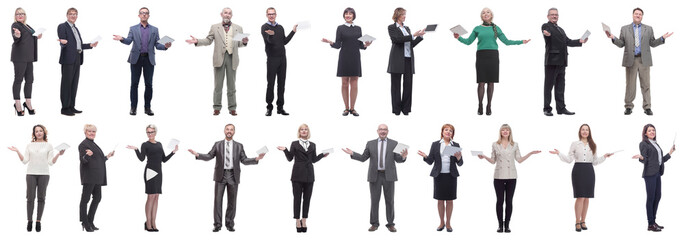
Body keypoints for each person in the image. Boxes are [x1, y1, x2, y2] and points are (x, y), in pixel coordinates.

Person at [188, 124, 266, 232]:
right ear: (224, 130)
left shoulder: (239, 146)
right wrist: (198, 155)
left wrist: (257, 158)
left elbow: (244, 160)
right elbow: (210, 156)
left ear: (234, 132)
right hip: (220, 175)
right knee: (217, 201)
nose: (229, 131)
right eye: (227, 129)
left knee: (232, 202)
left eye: (231, 130)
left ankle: (230, 224)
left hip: (233, 176)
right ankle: (217, 225)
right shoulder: (218, 144)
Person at [455, 8, 530, 116]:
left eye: (488, 12)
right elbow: (468, 42)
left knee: (491, 82)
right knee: (481, 82)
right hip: (481, 56)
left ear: (491, 15)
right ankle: (480, 105)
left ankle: (489, 105)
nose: (485, 14)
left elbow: (507, 42)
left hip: (493, 56)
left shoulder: (496, 28)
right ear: (481, 16)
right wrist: (459, 38)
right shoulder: (477, 28)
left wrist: (521, 42)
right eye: (483, 12)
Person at [342, 124, 408, 232]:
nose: (383, 131)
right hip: (374, 176)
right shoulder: (370, 143)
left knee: (390, 201)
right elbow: (364, 158)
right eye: (381, 129)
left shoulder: (394, 143)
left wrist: (404, 157)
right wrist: (353, 153)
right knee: (374, 200)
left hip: (389, 176)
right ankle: (374, 223)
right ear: (377, 131)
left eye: (385, 129)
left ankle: (390, 224)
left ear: (388, 131)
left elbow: (398, 159)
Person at [606, 8, 672, 116]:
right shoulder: (624, 29)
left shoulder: (649, 29)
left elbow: (653, 43)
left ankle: (647, 107)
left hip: (644, 60)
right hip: (630, 60)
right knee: (630, 85)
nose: (638, 15)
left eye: (640, 14)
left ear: (642, 16)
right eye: (636, 13)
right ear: (632, 15)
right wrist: (613, 37)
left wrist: (662, 38)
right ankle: (628, 106)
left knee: (646, 85)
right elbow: (621, 44)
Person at [550, 124, 614, 232]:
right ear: (580, 132)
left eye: (587, 130)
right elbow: (569, 159)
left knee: (587, 197)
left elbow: (595, 161)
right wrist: (558, 153)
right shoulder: (575, 144)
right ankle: (577, 221)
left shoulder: (593, 145)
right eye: (583, 130)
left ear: (589, 132)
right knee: (580, 197)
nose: (585, 131)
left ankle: (583, 220)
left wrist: (605, 157)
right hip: (578, 170)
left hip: (589, 171)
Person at [477, 124, 540, 232]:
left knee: (509, 201)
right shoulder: (495, 144)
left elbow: (519, 160)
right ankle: (500, 225)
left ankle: (507, 225)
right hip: (499, 176)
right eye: (503, 130)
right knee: (500, 201)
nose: (505, 132)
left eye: (507, 130)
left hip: (511, 176)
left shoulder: (514, 144)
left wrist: (530, 153)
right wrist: (484, 157)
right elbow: (493, 161)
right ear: (500, 132)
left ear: (510, 132)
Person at [185, 8, 248, 116]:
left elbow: (239, 44)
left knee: (232, 85)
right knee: (218, 85)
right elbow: (209, 40)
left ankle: (232, 108)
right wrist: (198, 41)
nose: (227, 15)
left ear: (231, 15)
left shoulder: (238, 28)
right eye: (225, 13)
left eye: (229, 13)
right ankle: (217, 107)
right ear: (221, 14)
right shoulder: (215, 27)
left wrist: (244, 42)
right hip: (219, 59)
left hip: (232, 58)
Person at [113, 7, 171, 116]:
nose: (144, 15)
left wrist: (165, 46)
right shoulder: (133, 28)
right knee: (134, 84)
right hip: (136, 59)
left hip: (149, 59)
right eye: (142, 13)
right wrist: (121, 39)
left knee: (148, 84)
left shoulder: (154, 29)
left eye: (146, 13)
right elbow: (129, 41)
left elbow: (157, 45)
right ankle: (133, 107)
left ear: (149, 15)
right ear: (139, 15)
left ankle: (147, 107)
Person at [8, 125, 65, 232]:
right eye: (36, 131)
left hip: (44, 174)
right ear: (34, 133)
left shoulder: (49, 145)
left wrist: (58, 154)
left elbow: (50, 163)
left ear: (44, 132)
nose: (38, 133)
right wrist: (17, 151)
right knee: (30, 198)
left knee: (41, 198)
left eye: (40, 131)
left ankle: (38, 221)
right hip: (31, 174)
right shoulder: (29, 145)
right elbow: (25, 161)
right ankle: (29, 221)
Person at [277, 124, 329, 232]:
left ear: (308, 131)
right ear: (299, 132)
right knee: (297, 199)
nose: (304, 131)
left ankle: (304, 219)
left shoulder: (313, 144)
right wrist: (285, 150)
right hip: (297, 174)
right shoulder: (294, 144)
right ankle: (297, 220)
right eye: (302, 130)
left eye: (305, 129)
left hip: (309, 175)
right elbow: (290, 158)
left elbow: (313, 159)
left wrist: (322, 155)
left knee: (307, 199)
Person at [126, 124, 177, 232]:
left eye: (152, 132)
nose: (150, 134)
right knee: (150, 197)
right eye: (148, 132)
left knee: (156, 197)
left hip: (159, 172)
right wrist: (136, 149)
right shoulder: (145, 144)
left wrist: (173, 152)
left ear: (155, 132)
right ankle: (148, 223)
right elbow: (141, 159)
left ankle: (154, 222)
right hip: (150, 172)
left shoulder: (159, 144)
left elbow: (164, 159)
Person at [322, 7, 372, 117]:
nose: (348, 15)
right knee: (344, 83)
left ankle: (353, 108)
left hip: (355, 57)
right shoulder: (340, 28)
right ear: (344, 15)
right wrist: (330, 42)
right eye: (346, 14)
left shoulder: (358, 28)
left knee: (354, 83)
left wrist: (366, 45)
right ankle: (346, 108)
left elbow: (360, 46)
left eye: (350, 14)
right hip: (344, 57)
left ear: (354, 15)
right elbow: (338, 45)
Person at [418, 124, 463, 232]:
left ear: (453, 134)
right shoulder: (435, 145)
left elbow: (460, 163)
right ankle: (441, 222)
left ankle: (448, 223)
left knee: (450, 200)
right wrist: (425, 157)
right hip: (439, 176)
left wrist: (458, 157)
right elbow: (430, 162)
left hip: (451, 176)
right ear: (442, 132)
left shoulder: (455, 144)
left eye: (451, 131)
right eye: (446, 130)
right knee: (440, 200)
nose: (448, 132)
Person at [541, 8, 587, 116]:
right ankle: (547, 108)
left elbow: (568, 42)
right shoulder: (546, 26)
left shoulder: (561, 29)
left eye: (556, 15)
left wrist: (580, 41)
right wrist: (546, 33)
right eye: (552, 15)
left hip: (562, 62)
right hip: (551, 62)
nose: (554, 16)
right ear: (548, 16)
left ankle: (561, 108)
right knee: (548, 86)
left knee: (560, 86)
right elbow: (545, 31)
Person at [632, 124, 675, 232]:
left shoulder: (656, 144)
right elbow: (645, 159)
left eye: (653, 130)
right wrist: (641, 157)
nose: (652, 132)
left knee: (658, 196)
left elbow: (660, 160)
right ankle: (650, 223)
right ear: (645, 133)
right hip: (649, 174)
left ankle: (653, 222)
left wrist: (670, 152)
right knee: (651, 198)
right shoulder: (643, 144)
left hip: (657, 173)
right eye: (649, 130)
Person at [57, 7, 98, 116]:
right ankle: (65, 108)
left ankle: (71, 106)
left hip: (77, 58)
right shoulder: (62, 26)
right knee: (66, 84)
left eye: (75, 14)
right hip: (68, 59)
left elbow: (78, 45)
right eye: (71, 14)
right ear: (67, 15)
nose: (73, 16)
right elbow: (62, 41)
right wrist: (63, 43)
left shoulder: (75, 28)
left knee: (74, 83)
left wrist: (90, 45)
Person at [387, 7, 424, 116]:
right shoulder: (391, 27)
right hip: (397, 59)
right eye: (403, 14)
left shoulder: (407, 28)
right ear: (397, 15)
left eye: (405, 14)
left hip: (408, 59)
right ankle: (397, 110)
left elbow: (411, 44)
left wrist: (419, 37)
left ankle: (406, 109)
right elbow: (396, 40)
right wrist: (413, 35)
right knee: (395, 86)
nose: (404, 16)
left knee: (408, 85)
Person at [78, 124, 115, 232]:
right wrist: (86, 156)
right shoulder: (83, 145)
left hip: (98, 177)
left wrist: (107, 156)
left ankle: (90, 221)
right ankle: (85, 222)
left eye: (93, 131)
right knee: (85, 200)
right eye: (89, 131)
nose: (92, 133)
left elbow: (98, 160)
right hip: (89, 176)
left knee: (97, 198)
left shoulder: (94, 144)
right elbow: (83, 160)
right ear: (85, 132)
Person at [261, 7, 297, 116]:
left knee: (281, 84)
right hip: (272, 59)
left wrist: (293, 32)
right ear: (266, 15)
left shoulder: (280, 27)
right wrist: (270, 35)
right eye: (269, 14)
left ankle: (280, 108)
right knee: (270, 83)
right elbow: (268, 41)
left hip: (282, 59)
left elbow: (284, 41)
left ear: (276, 15)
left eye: (273, 14)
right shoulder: (265, 27)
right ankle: (269, 108)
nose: (271, 16)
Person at [11, 7, 42, 116]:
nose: (20, 15)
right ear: (15, 16)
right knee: (18, 79)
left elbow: (31, 36)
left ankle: (28, 102)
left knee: (30, 79)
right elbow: (16, 37)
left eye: (22, 14)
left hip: (29, 57)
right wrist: (17, 35)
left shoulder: (27, 25)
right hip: (19, 56)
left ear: (25, 15)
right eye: (18, 14)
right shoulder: (15, 25)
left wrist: (37, 36)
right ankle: (17, 103)